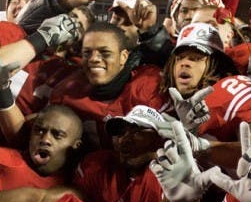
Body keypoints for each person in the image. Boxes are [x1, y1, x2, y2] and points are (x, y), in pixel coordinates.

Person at [160, 22, 251, 170]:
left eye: (195, 58)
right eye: (180, 58)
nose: (185, 64)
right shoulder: (170, 103)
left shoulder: (232, 89)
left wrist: (202, 149)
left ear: (217, 63)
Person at [48, 21, 165, 149]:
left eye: (105, 53)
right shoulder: (66, 93)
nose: (94, 59)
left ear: (123, 57)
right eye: (87, 53)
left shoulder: (149, 85)